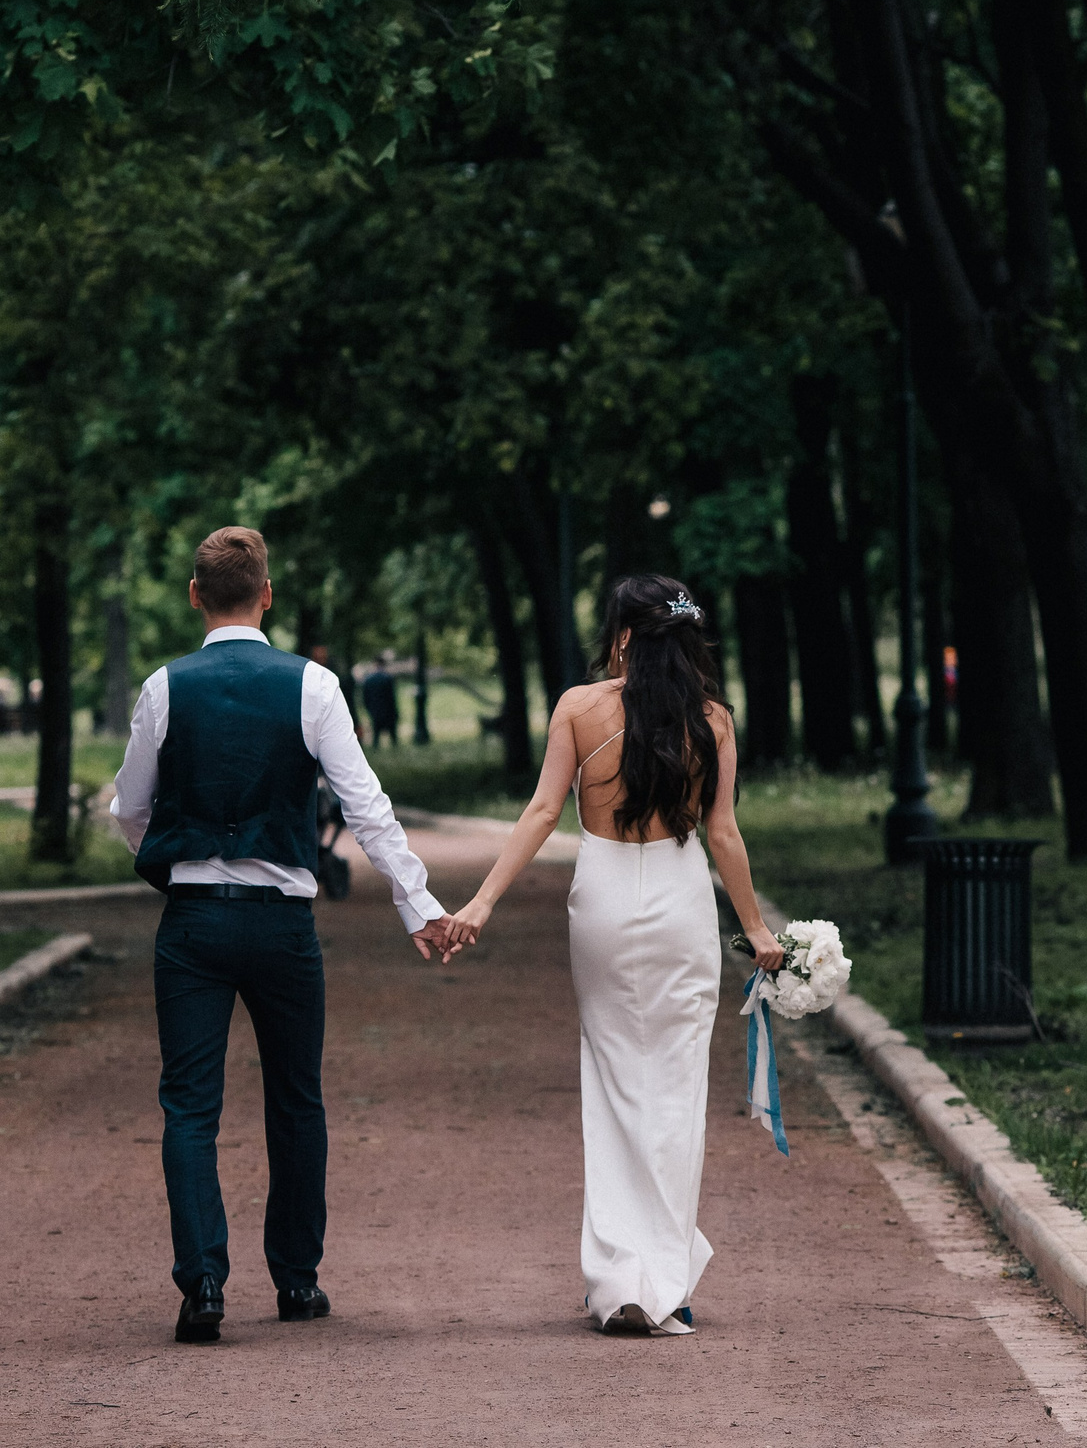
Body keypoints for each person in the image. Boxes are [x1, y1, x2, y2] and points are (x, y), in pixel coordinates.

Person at [110, 526, 470, 1345]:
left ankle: (202, 1281)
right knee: (296, 1100)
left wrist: (173, 861)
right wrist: (419, 907)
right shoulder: (314, 685)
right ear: (266, 594)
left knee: (189, 1105)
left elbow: (129, 809)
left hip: (193, 922)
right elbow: (366, 807)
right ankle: (297, 1279)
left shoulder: (166, 687)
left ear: (196, 595)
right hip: (281, 925)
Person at [449, 573, 783, 1336]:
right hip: (678, 893)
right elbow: (723, 832)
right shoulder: (715, 721)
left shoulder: (576, 706)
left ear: (625, 634)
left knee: (611, 1079)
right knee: (675, 1085)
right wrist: (757, 929)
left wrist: (482, 901)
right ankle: (665, 1276)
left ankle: (615, 1276)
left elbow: (541, 811)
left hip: (601, 894)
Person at [363, 653, 401, 748]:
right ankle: (395, 747)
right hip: (388, 710)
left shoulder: (368, 680)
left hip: (375, 709)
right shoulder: (387, 678)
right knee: (392, 734)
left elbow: (365, 698)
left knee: (376, 734)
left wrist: (369, 708)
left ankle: (376, 747)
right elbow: (392, 697)